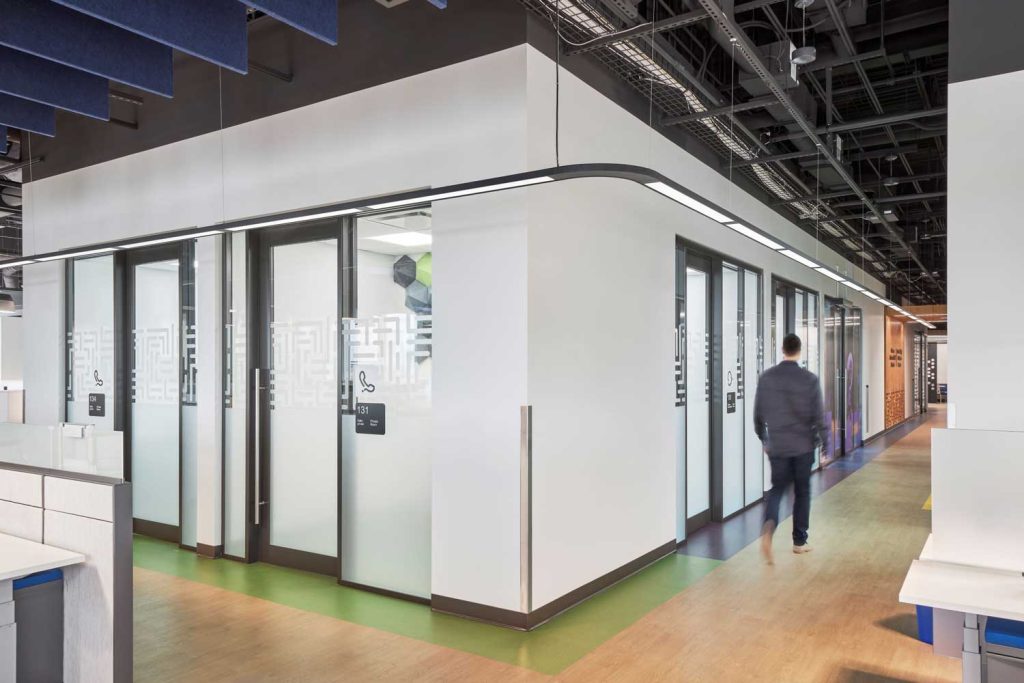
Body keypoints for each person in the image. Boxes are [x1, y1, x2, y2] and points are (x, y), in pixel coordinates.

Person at [753, 333, 827, 564]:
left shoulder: (766, 378)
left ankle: (769, 526)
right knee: (802, 493)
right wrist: (825, 445)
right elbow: (819, 417)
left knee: (777, 489)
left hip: (778, 446)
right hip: (803, 446)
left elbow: (758, 416)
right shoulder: (810, 380)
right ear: (799, 350)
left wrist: (765, 439)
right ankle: (799, 542)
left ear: (783, 350)